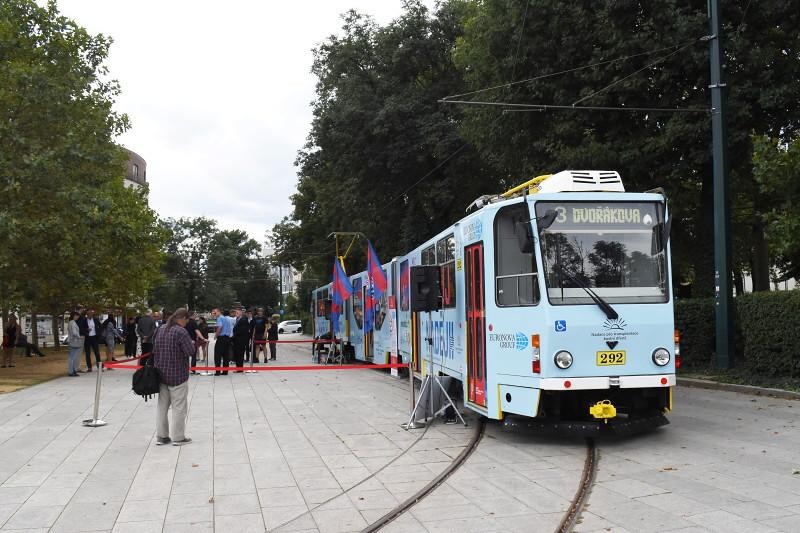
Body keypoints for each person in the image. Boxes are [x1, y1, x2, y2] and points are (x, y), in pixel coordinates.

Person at [153, 308, 194, 446]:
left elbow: (154, 349)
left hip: (161, 374)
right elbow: (190, 351)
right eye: (186, 320)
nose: (187, 323)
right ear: (182, 318)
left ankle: (162, 436)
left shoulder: (160, 329)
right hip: (178, 375)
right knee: (179, 407)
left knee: (162, 407)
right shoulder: (181, 332)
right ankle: (178, 437)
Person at [211, 308, 233, 375]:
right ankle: (225, 371)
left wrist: (216, 335)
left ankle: (218, 371)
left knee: (217, 355)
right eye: (213, 313)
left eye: (215, 313)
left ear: (219, 312)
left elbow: (220, 327)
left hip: (221, 338)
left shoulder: (220, 318)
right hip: (227, 338)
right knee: (226, 355)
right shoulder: (227, 319)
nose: (214, 314)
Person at [232, 307, 250, 372]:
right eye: (235, 312)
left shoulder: (244, 319)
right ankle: (238, 368)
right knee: (237, 354)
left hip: (241, 340)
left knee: (240, 354)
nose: (236, 313)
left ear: (241, 312)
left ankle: (240, 368)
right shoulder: (238, 319)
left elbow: (243, 330)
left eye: (237, 312)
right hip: (237, 340)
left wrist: (234, 334)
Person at [67, 311, 83, 376]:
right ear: (74, 316)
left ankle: (72, 370)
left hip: (72, 341)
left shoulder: (71, 322)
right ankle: (71, 371)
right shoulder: (73, 323)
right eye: (77, 316)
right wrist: (79, 337)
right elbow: (74, 332)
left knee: (72, 357)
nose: (78, 317)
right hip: (74, 341)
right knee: (72, 357)